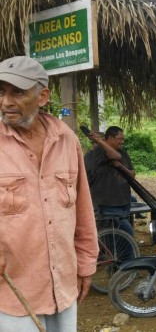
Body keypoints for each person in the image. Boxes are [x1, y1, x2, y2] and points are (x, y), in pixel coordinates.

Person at [0, 56, 98, 331]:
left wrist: (86, 264)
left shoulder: (66, 139)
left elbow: (82, 209)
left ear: (42, 96)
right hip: (11, 291)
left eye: (17, 92)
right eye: (1, 92)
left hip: (62, 284)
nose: (6, 101)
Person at [85, 125, 136, 237]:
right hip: (108, 205)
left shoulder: (124, 153)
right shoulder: (97, 152)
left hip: (124, 203)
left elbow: (132, 174)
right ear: (110, 138)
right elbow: (115, 156)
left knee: (121, 238)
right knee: (127, 234)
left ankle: (120, 254)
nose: (122, 142)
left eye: (123, 139)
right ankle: (129, 255)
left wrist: (121, 167)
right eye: (120, 139)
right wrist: (99, 141)